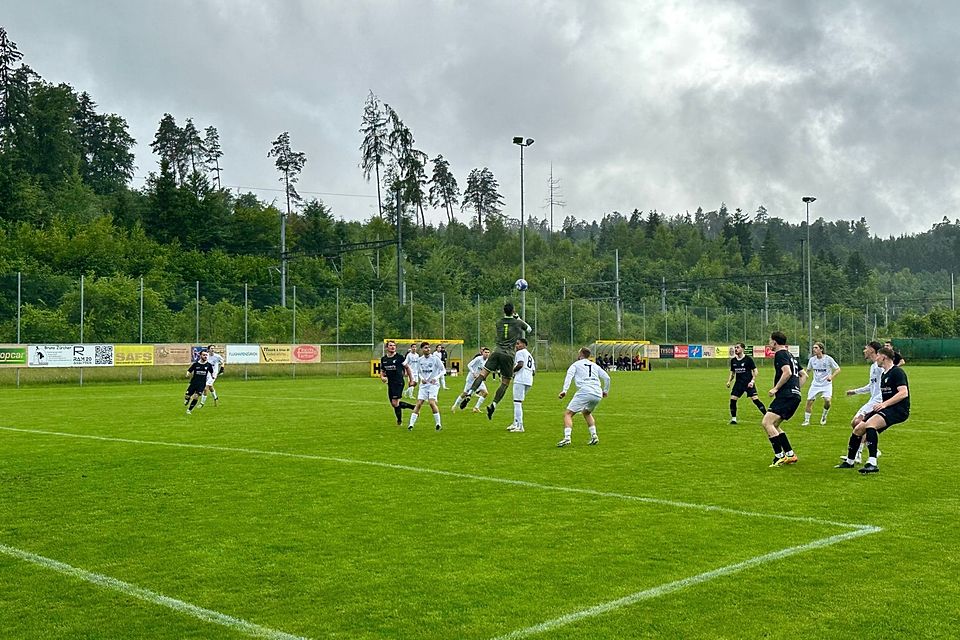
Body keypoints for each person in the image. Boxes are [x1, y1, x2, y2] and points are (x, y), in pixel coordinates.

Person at [835, 346, 909, 474]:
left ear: (884, 357)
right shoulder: (884, 374)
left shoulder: (897, 372)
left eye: (878, 356)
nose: (877, 359)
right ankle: (850, 461)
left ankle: (872, 462)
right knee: (858, 429)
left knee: (870, 425)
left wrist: (884, 404)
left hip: (898, 409)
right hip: (887, 408)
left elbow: (903, 393)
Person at [460, 301, 532, 420]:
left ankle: (470, 393)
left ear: (504, 311)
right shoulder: (518, 322)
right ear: (513, 311)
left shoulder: (498, 322)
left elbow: (505, 328)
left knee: (482, 375)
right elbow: (529, 329)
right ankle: (493, 404)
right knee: (505, 382)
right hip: (508, 355)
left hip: (496, 351)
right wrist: (518, 317)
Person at [762, 331, 807, 467]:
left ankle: (779, 456)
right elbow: (804, 375)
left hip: (786, 395)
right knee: (775, 425)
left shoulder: (780, 354)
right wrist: (796, 389)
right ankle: (790, 454)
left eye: (770, 341)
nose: (769, 343)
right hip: (794, 396)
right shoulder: (790, 355)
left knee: (766, 423)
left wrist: (776, 388)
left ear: (775, 342)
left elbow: (786, 372)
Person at [840, 341, 884, 464]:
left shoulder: (880, 367)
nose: (864, 351)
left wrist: (882, 401)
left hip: (878, 401)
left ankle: (858, 454)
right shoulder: (873, 367)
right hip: (872, 400)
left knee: (859, 423)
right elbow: (871, 386)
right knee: (855, 423)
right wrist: (855, 392)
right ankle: (873, 449)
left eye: (866, 349)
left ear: (872, 350)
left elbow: (884, 385)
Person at [557, 347, 610, 447]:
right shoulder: (594, 365)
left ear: (581, 354)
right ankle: (594, 436)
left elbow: (569, 376)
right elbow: (607, 378)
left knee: (568, 414)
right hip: (597, 393)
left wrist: (564, 390)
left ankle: (567, 438)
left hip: (585, 391)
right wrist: (605, 391)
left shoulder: (575, 365)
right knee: (586, 412)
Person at [725, 342, 765, 424]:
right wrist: (729, 381)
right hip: (738, 384)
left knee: (755, 400)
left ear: (743, 349)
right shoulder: (733, 361)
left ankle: (767, 416)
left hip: (748, 383)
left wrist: (752, 381)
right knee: (733, 399)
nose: (736, 349)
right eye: (735, 347)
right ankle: (733, 419)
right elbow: (732, 373)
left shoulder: (748, 359)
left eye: (738, 347)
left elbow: (755, 371)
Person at [801, 342, 841, 425]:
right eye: (813, 348)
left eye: (816, 348)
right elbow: (808, 371)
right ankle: (806, 421)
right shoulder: (812, 360)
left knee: (827, 401)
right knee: (809, 401)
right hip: (815, 384)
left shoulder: (828, 359)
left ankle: (824, 415)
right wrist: (802, 377)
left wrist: (831, 377)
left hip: (826, 384)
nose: (814, 349)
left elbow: (838, 369)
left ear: (821, 349)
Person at [408, 342, 444, 431]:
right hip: (424, 385)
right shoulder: (420, 360)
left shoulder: (435, 359)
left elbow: (443, 370)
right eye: (425, 348)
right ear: (422, 349)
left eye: (428, 348)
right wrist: (421, 379)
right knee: (419, 403)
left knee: (431, 403)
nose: (428, 349)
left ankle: (438, 424)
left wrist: (436, 378)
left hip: (433, 385)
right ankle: (411, 424)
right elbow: (418, 372)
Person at [380, 340, 416, 425]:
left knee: (395, 402)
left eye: (394, 345)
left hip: (399, 382)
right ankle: (411, 408)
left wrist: (411, 380)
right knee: (394, 404)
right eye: (390, 345)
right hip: (390, 384)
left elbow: (407, 368)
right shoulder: (384, 359)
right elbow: (382, 370)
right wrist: (382, 377)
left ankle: (400, 420)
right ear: (386, 347)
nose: (393, 347)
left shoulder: (399, 357)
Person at [508, 338, 536, 432]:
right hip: (529, 380)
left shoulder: (520, 353)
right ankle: (515, 423)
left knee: (517, 402)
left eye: (518, 344)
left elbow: (520, 364)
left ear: (524, 345)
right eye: (516, 344)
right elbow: (534, 371)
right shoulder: (529, 355)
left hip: (520, 379)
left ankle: (520, 426)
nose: (516, 346)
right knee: (518, 402)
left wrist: (512, 372)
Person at [451, 347, 490, 413]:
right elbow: (469, 365)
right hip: (471, 378)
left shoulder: (488, 361)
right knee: (465, 393)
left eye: (488, 352)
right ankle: (454, 406)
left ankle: (476, 408)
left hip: (479, 379)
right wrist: (473, 373)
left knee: (485, 393)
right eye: (485, 352)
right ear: (482, 353)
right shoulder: (478, 359)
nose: (487, 354)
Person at [184, 350, 214, 415]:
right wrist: (187, 374)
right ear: (200, 356)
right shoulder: (195, 364)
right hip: (193, 383)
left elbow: (212, 372)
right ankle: (187, 399)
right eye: (204, 355)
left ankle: (189, 410)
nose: (205, 356)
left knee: (196, 396)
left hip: (202, 384)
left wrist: (213, 376)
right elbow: (189, 370)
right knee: (187, 396)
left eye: (206, 355)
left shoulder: (208, 365)